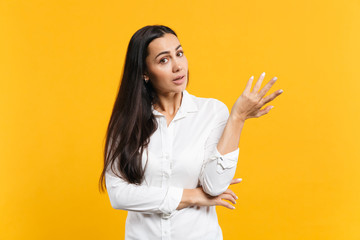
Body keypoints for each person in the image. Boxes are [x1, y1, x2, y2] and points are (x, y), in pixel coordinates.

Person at [98, 25, 283, 240]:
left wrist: (237, 118)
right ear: (144, 72)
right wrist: (194, 196)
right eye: (163, 60)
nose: (178, 66)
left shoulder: (212, 112)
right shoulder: (127, 121)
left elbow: (215, 186)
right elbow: (119, 195)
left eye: (179, 53)